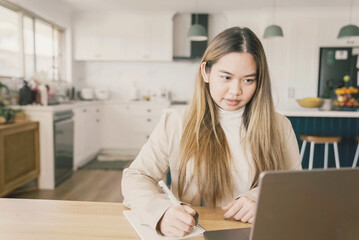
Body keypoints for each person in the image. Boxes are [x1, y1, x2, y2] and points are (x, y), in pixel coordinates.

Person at [121, 26, 302, 238]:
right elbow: (136, 177)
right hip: (194, 234)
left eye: (248, 80)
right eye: (226, 77)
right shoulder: (175, 122)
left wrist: (260, 198)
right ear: (205, 71)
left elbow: (294, 187)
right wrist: (161, 212)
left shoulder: (280, 126)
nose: (236, 90)